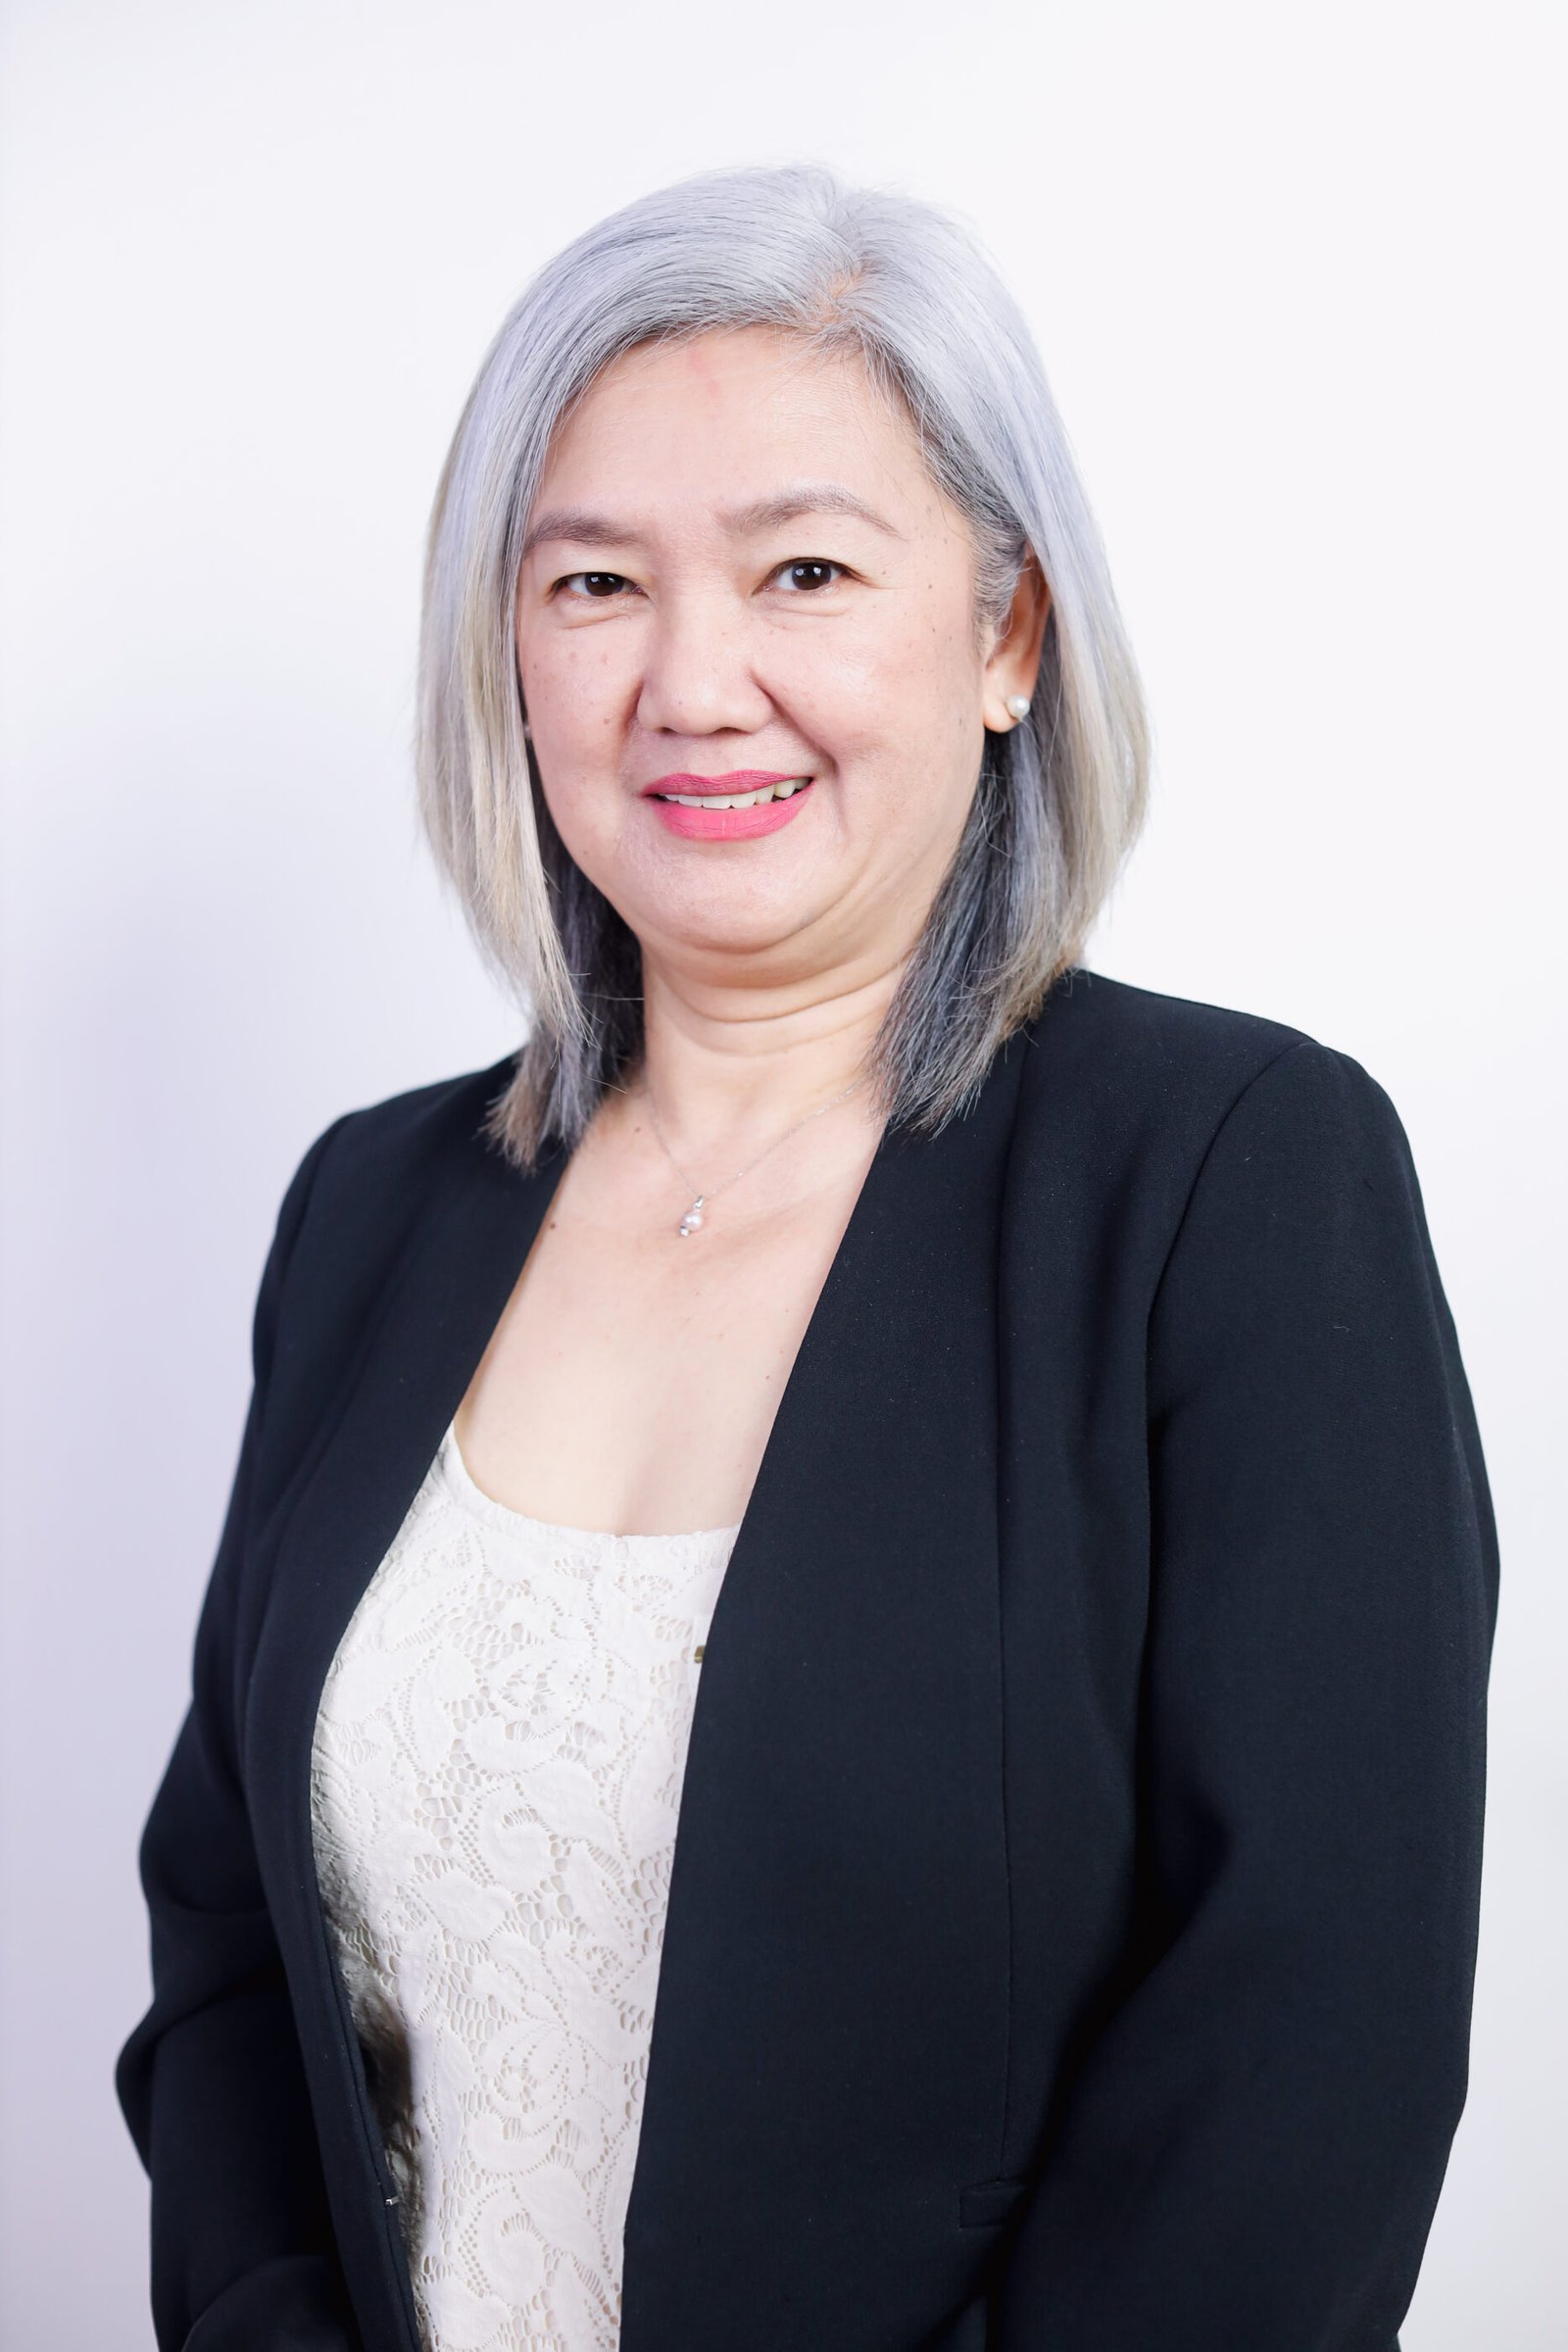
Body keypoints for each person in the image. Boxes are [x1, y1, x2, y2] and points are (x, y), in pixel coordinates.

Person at [116, 162, 1497, 2352]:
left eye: (807, 570)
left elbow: (1303, 2049)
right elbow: (225, 1946)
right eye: (594, 583)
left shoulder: (1235, 1178)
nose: (692, 682)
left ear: (1007, 637)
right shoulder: (374, 1207)